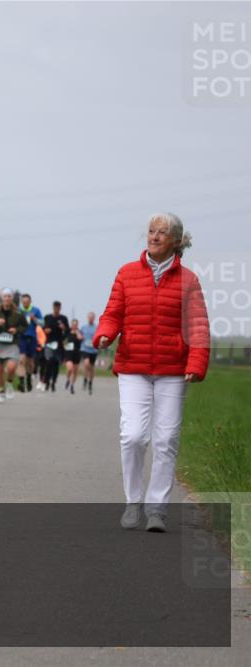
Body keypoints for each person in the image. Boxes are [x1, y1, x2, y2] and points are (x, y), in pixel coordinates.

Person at [95, 212, 209, 533]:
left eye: (162, 232)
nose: (154, 236)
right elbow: (113, 313)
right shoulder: (127, 273)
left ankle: (157, 508)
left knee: (166, 439)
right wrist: (105, 334)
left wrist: (196, 363)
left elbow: (198, 326)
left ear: (176, 241)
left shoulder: (189, 280)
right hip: (134, 366)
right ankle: (133, 502)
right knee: (132, 436)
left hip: (173, 370)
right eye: (151, 231)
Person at [0, 288, 27, 403]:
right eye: (5, 296)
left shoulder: (18, 313)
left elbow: (25, 327)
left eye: (9, 296)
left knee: (11, 367)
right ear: (1, 298)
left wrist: (16, 330)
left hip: (12, 344)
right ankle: (1, 392)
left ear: (12, 298)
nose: (7, 298)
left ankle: (9, 383)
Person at [42, 301, 70, 392]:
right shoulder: (47, 317)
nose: (56, 309)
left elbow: (68, 332)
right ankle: (46, 381)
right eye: (55, 308)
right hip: (49, 342)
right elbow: (43, 329)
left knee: (56, 363)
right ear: (53, 308)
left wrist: (64, 328)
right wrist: (46, 331)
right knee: (49, 361)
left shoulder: (63, 318)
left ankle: (53, 382)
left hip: (59, 344)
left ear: (60, 308)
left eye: (58, 308)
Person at [17, 293, 42, 392]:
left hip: (32, 338)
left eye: (27, 302)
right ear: (21, 302)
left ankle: (28, 379)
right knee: (21, 359)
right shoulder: (19, 310)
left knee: (30, 362)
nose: (25, 304)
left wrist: (34, 319)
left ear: (30, 302)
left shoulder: (36, 310)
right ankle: (21, 383)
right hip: (21, 337)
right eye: (23, 302)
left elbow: (42, 323)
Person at [80, 312, 99, 395]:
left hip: (93, 350)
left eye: (92, 317)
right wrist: (80, 337)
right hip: (85, 349)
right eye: (89, 317)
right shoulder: (83, 327)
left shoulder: (96, 328)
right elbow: (79, 335)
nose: (91, 319)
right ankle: (85, 380)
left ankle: (90, 383)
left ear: (94, 318)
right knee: (86, 364)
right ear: (87, 318)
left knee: (91, 368)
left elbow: (99, 337)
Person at [63, 319, 84, 393]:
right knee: (69, 368)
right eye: (73, 324)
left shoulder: (79, 332)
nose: (74, 326)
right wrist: (65, 346)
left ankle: (72, 385)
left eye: (76, 324)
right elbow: (63, 341)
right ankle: (68, 379)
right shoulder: (67, 332)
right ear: (71, 325)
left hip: (77, 353)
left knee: (75, 372)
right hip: (68, 353)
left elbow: (80, 338)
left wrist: (77, 332)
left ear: (77, 325)